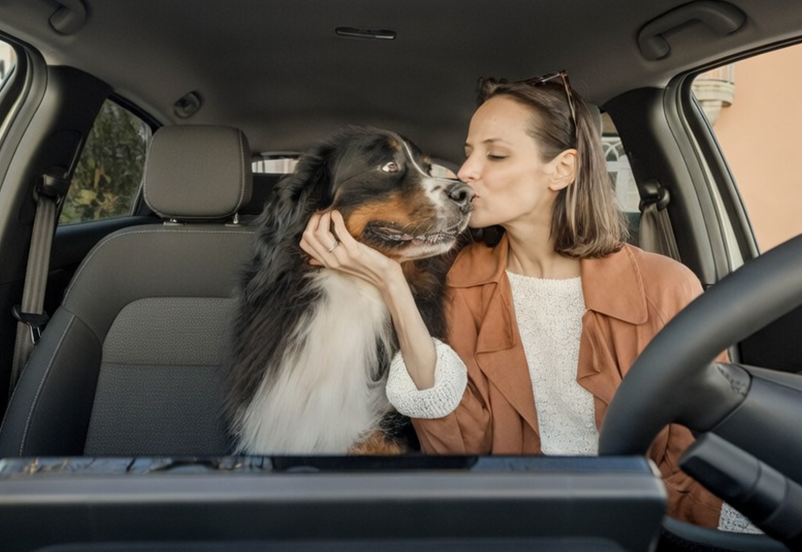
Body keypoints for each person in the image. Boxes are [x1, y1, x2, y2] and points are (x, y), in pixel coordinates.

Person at [300, 72, 756, 532]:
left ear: (562, 169)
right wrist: (392, 283)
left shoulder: (665, 287)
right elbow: (454, 452)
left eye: (495, 155)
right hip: (502, 527)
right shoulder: (454, 282)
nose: (466, 172)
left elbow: (698, 461)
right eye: (468, 153)